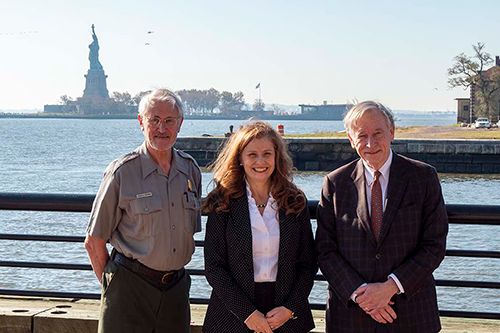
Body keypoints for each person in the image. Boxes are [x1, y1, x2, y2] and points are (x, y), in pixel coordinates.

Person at [315, 101, 448, 333]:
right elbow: (325, 250)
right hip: (351, 316)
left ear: (392, 131)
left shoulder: (423, 177)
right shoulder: (335, 183)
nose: (370, 143)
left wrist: (391, 287)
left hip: (411, 314)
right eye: (362, 135)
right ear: (350, 138)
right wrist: (362, 295)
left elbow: (434, 244)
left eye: (378, 133)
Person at [84, 88, 201, 333]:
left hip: (176, 290)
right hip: (130, 288)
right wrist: (114, 289)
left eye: (169, 121)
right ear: (141, 122)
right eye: (154, 120)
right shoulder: (122, 172)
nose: (162, 128)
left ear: (180, 124)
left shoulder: (190, 171)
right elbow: (94, 242)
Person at [202, 121, 317, 333]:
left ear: (276, 157)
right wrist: (247, 313)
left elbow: (308, 264)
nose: (260, 161)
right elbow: (214, 267)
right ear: (240, 159)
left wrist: (290, 308)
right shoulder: (223, 202)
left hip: (285, 316)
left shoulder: (294, 201)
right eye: (252, 154)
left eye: (267, 153)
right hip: (232, 316)